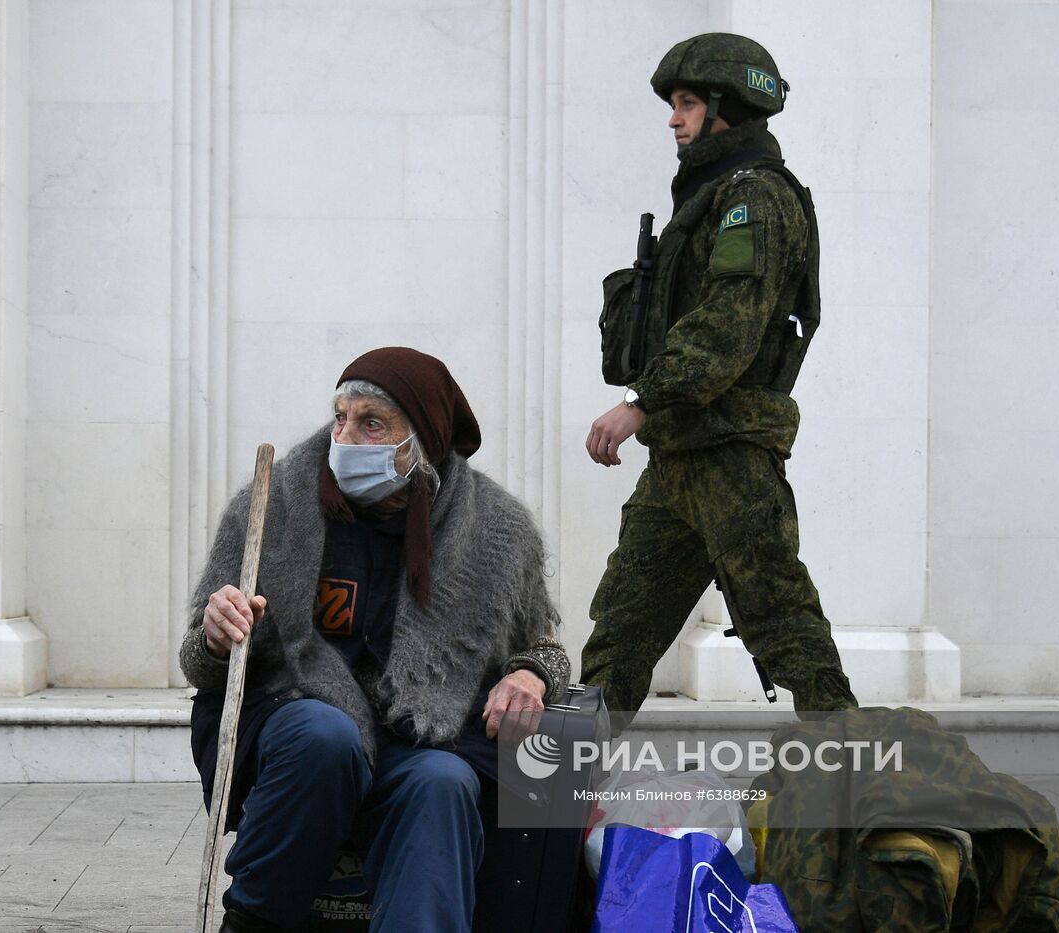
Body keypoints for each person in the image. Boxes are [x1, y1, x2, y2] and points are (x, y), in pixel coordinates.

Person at [180, 347, 570, 933]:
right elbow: (200, 666)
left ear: (425, 441)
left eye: (372, 423)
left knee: (442, 781)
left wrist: (530, 675)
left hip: (416, 738)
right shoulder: (273, 503)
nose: (345, 437)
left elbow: (546, 648)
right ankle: (254, 921)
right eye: (341, 417)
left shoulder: (497, 529)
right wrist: (214, 638)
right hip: (293, 729)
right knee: (326, 736)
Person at [581, 33, 858, 719]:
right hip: (679, 457)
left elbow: (729, 324)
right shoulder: (708, 199)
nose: (674, 119)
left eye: (686, 103)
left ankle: (859, 800)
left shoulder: (754, 201)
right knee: (618, 636)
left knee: (786, 628)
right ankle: (545, 815)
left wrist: (639, 401)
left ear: (726, 108)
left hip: (731, 456)